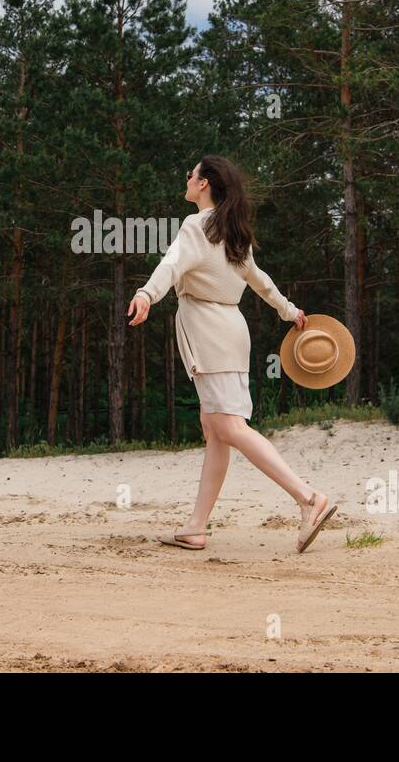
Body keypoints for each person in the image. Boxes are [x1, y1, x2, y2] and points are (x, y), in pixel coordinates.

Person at [127, 155, 336, 553]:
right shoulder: (231, 232)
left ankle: (309, 499)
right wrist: (290, 311)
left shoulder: (196, 225)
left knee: (230, 428)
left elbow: (171, 265)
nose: (186, 179)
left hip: (210, 334)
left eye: (191, 174)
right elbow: (261, 281)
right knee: (216, 431)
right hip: (231, 333)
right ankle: (195, 526)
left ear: (204, 184)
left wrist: (145, 293)